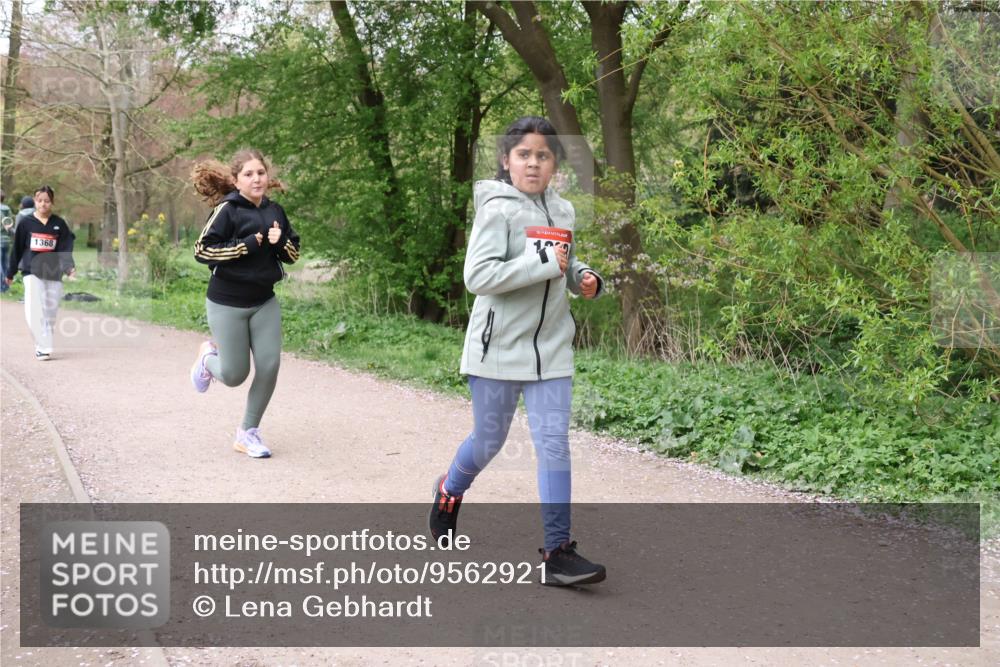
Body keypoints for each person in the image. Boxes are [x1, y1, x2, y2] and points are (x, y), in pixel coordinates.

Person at [429, 116, 607, 586]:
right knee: (489, 443)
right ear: (506, 161)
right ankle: (449, 490)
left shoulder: (563, 211)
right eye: (524, 155)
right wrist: (542, 263)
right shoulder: (496, 211)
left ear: (555, 164)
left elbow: (563, 261)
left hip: (551, 349)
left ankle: (557, 552)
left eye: (543, 155)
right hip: (497, 351)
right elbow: (479, 277)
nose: (533, 163)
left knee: (553, 444)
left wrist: (582, 277)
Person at [190, 149, 300, 458]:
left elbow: (293, 255)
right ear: (236, 180)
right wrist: (244, 247)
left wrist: (281, 244)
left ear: (268, 176)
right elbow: (202, 251)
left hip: (264, 301)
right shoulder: (228, 210)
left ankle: (247, 433)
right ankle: (207, 361)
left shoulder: (276, 211)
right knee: (235, 375)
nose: (256, 178)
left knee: (269, 365)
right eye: (249, 174)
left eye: (261, 173)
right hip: (227, 303)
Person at [4, 186, 76, 360]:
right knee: (34, 307)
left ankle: (45, 338)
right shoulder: (26, 223)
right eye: (40, 200)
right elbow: (17, 249)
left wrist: (69, 267)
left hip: (53, 271)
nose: (43, 204)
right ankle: (42, 345)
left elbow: (65, 248)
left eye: (47, 201)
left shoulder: (59, 224)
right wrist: (11, 272)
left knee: (50, 311)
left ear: (52, 203)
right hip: (31, 271)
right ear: (35, 202)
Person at [0, 191, 13, 293]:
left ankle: (1, 287)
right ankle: (6, 287)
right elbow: (10, 225)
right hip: (7, 240)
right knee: (5, 264)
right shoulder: (8, 210)